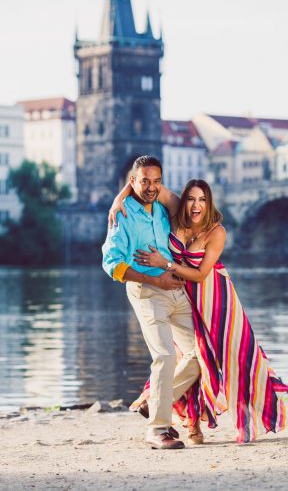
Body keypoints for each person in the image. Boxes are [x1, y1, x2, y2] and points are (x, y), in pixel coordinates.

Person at [109, 178, 288, 444]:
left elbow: (201, 273)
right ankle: (190, 422)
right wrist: (118, 199)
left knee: (222, 357)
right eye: (192, 199)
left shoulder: (216, 232)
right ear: (184, 200)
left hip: (214, 297)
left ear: (209, 203)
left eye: (202, 200)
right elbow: (144, 183)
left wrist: (166, 263)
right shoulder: (175, 210)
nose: (196, 205)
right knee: (189, 355)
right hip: (181, 294)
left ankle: (167, 408)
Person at [102, 156, 200, 450]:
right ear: (132, 182)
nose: (151, 187)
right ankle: (158, 430)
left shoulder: (161, 209)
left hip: (177, 290)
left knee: (203, 353)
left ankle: (152, 400)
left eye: (157, 181)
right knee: (165, 356)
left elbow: (183, 202)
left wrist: (121, 192)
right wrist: (156, 280)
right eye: (145, 181)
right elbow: (111, 263)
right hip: (147, 291)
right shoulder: (122, 216)